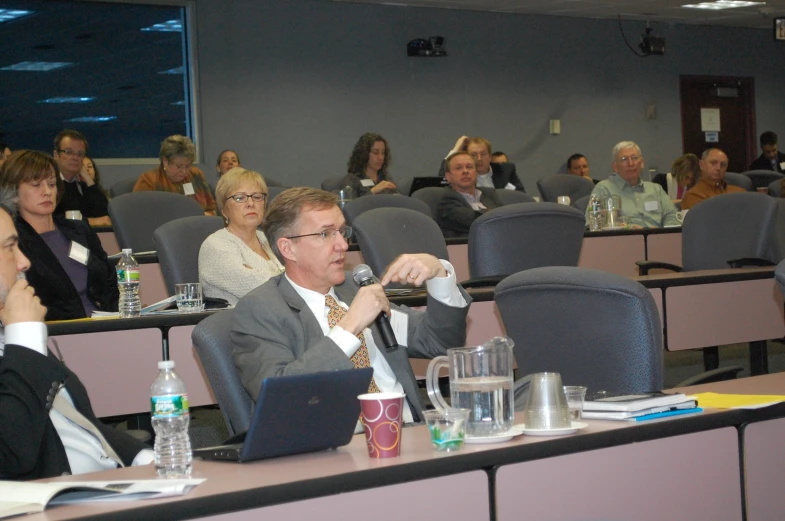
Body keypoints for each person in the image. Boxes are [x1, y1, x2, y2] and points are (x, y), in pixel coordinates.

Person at [231, 187, 470, 424]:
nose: (343, 245)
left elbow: (439, 342)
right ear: (288, 248)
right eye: (325, 234)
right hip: (334, 449)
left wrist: (440, 274)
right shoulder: (260, 310)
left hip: (409, 432)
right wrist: (349, 327)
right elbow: (279, 397)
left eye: (341, 232)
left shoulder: (356, 288)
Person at [0, 186, 151, 480]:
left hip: (104, 482)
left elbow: (79, 422)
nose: (23, 262)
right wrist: (25, 340)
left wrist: (145, 457)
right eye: (9, 248)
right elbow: (12, 454)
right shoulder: (20, 335)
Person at [0, 150, 118, 321]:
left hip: (111, 325)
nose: (47, 191)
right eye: (36, 185)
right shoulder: (14, 243)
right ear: (13, 191)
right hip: (60, 334)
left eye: (52, 184)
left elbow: (110, 282)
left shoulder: (78, 229)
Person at [199, 168, 284, 305]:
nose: (251, 204)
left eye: (257, 197)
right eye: (239, 198)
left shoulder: (265, 238)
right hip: (240, 324)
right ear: (224, 210)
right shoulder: (215, 246)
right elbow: (264, 291)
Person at [586, 141, 679, 228]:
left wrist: (661, 234)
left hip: (657, 240)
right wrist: (627, 229)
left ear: (642, 163)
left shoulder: (656, 189)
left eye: (635, 158)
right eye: (624, 159)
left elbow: (672, 215)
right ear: (615, 167)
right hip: (622, 241)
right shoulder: (603, 189)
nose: (631, 163)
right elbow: (591, 223)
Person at [133, 134, 216, 215]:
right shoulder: (149, 181)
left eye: (187, 166)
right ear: (165, 161)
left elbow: (212, 209)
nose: (184, 171)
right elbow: (140, 216)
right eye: (179, 166)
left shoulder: (196, 175)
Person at [437, 151, 503, 238]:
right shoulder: (446, 201)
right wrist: (497, 216)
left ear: (476, 173)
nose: (465, 171)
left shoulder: (489, 193)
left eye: (469, 167)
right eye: (459, 168)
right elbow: (477, 222)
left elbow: (505, 216)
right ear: (448, 176)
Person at [52, 129, 111, 227]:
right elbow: (52, 220)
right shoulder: (48, 184)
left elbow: (104, 215)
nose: (75, 157)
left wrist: (88, 179)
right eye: (68, 152)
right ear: (56, 155)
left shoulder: (82, 184)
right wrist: (93, 222)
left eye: (80, 154)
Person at [438, 136, 525, 192]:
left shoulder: (506, 170)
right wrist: (455, 149)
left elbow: (521, 196)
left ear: (490, 157)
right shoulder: (465, 176)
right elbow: (442, 181)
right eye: (474, 155)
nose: (479, 159)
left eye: (483, 154)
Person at [681, 148, 746, 210]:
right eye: (713, 163)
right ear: (701, 165)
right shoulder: (693, 195)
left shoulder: (739, 191)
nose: (718, 168)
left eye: (723, 165)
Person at [338, 133, 399, 197]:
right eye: (375, 152)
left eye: (383, 153)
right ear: (364, 154)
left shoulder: (386, 178)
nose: (381, 157)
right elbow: (351, 205)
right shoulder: (351, 180)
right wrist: (373, 191)